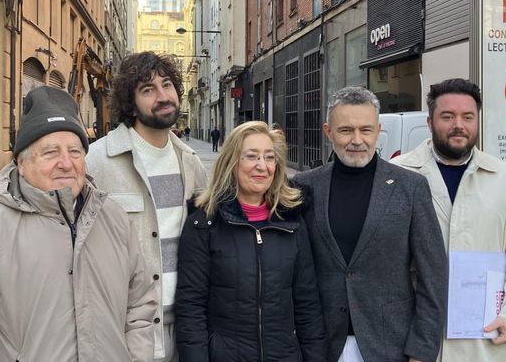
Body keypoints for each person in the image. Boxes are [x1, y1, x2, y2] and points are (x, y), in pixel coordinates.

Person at [0, 86, 156, 362]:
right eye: (50, 153)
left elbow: (141, 304)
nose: (66, 163)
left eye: (75, 151)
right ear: (21, 163)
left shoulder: (113, 217)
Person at [293, 86, 447, 362]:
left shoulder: (410, 188)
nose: (356, 140)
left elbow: (433, 275)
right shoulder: (304, 187)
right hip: (319, 345)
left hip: (391, 346)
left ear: (377, 131)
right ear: (328, 132)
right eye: (345, 130)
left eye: (365, 130)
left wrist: (422, 350)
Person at [392, 78, 506, 362]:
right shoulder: (398, 174)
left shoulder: (503, 177)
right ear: (430, 121)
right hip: (414, 338)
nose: (458, 125)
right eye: (447, 116)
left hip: (484, 336)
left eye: (468, 117)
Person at [86, 52, 208, 362]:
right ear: (130, 103)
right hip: (126, 331)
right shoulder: (97, 162)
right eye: (148, 90)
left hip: (184, 327)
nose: (163, 96)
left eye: (167, 85)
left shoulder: (191, 164)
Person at [175, 121, 327, 361]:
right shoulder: (204, 223)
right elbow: (190, 308)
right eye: (251, 156)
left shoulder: (292, 222)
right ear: (232, 163)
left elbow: (308, 304)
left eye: (269, 157)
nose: (262, 166)